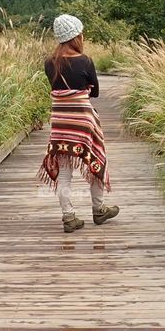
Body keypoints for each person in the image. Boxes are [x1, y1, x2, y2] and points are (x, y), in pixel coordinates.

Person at [38, 14, 119, 232]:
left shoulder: (49, 63)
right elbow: (96, 92)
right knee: (96, 162)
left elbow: (58, 90)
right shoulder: (85, 61)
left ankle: (69, 217)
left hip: (60, 122)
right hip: (83, 122)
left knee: (64, 170)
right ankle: (99, 210)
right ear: (75, 36)